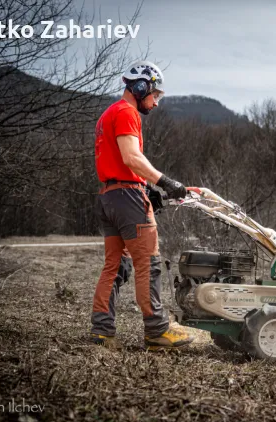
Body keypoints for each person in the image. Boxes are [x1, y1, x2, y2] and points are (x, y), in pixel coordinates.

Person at [90, 60, 194, 350]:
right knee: (149, 264)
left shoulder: (108, 114)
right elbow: (131, 158)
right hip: (127, 200)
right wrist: (165, 182)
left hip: (109, 197)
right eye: (155, 94)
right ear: (141, 87)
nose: (156, 103)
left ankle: (102, 330)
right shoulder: (126, 113)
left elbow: (118, 163)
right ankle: (158, 332)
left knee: (113, 266)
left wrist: (145, 185)